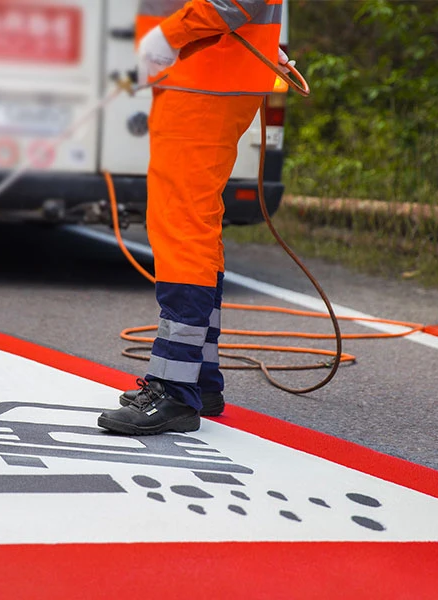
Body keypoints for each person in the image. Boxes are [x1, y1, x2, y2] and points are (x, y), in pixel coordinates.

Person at [98, 0, 288, 436]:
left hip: (205, 80)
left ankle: (174, 390)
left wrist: (172, 34)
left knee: (182, 228)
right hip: (204, 73)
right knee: (194, 223)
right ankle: (198, 380)